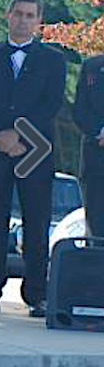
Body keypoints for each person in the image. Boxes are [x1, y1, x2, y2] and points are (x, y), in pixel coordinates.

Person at [0, 0, 66, 317]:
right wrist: (3, 135)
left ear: (39, 21)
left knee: (36, 224)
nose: (23, 20)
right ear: (7, 16)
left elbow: (50, 104)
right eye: (18, 14)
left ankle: (37, 295)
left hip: (34, 151)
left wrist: (18, 134)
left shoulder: (53, 60)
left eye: (30, 15)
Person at [72, 52, 104, 237]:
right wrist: (100, 131)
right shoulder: (91, 66)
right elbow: (80, 110)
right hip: (95, 163)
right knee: (96, 229)